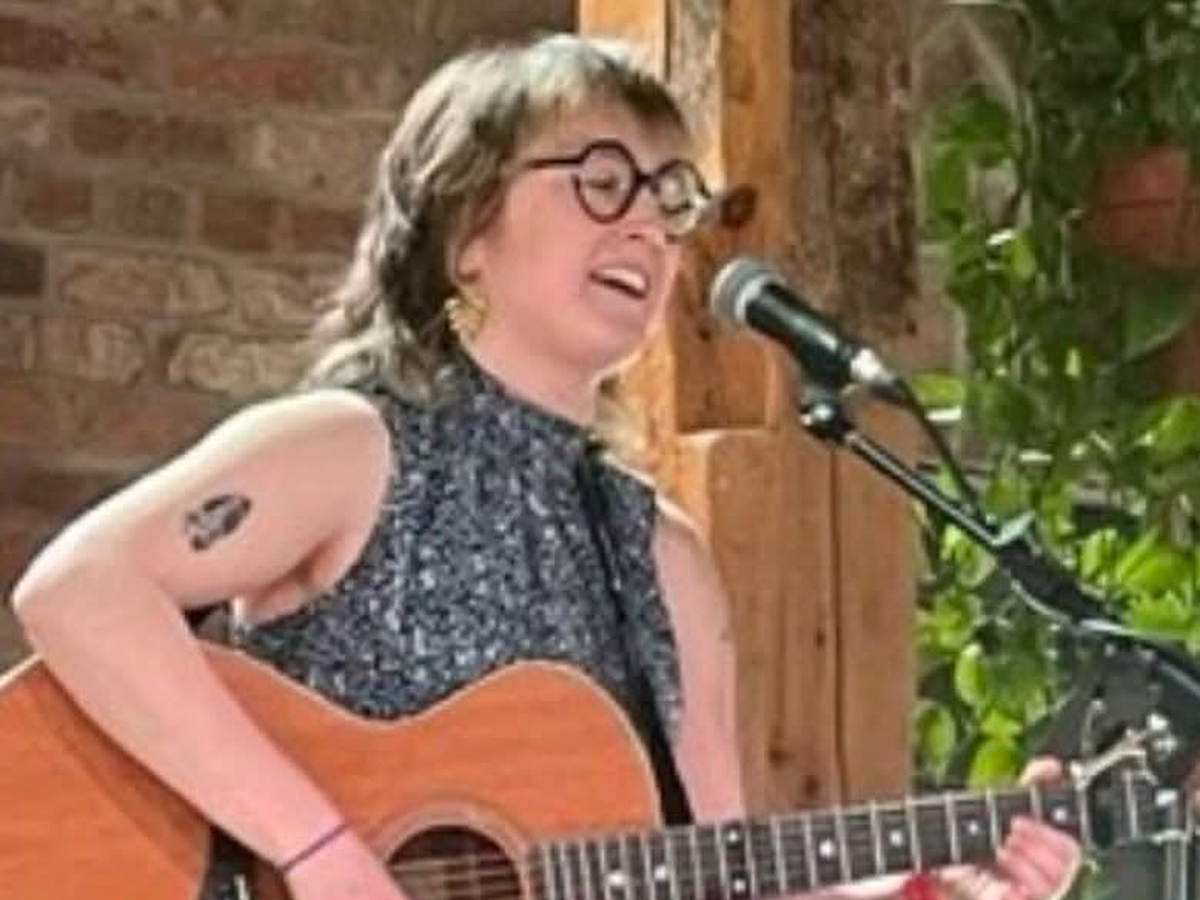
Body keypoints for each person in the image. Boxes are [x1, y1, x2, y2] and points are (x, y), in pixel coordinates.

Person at [10, 33, 1079, 900]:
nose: (649, 227)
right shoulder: (348, 447)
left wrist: (935, 884)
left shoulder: (662, 555)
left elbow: (721, 879)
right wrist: (319, 850)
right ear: (466, 226)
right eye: (602, 181)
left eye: (669, 198)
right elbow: (79, 589)